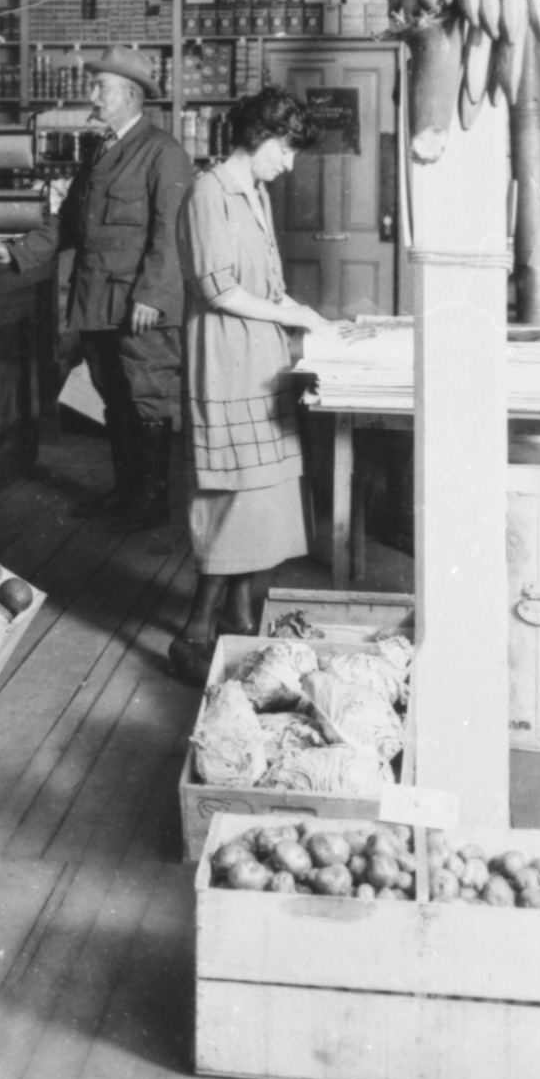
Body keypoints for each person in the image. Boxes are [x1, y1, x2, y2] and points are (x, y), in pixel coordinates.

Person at [0, 46, 194, 531]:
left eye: (101, 88)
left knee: (147, 398)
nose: (92, 95)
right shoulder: (102, 150)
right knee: (114, 398)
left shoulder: (163, 153)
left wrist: (152, 297)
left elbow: (173, 234)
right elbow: (68, 221)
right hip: (98, 301)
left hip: (138, 306)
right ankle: (126, 492)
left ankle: (152, 502)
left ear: (131, 94)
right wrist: (16, 253)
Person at [166, 88, 328, 680]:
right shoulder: (208, 193)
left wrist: (308, 316)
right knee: (232, 495)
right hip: (226, 357)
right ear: (258, 139)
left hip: (262, 358)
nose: (288, 163)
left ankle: (238, 618)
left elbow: (267, 286)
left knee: (262, 496)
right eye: (284, 150)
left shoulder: (255, 192)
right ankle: (195, 632)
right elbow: (219, 291)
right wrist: (291, 314)